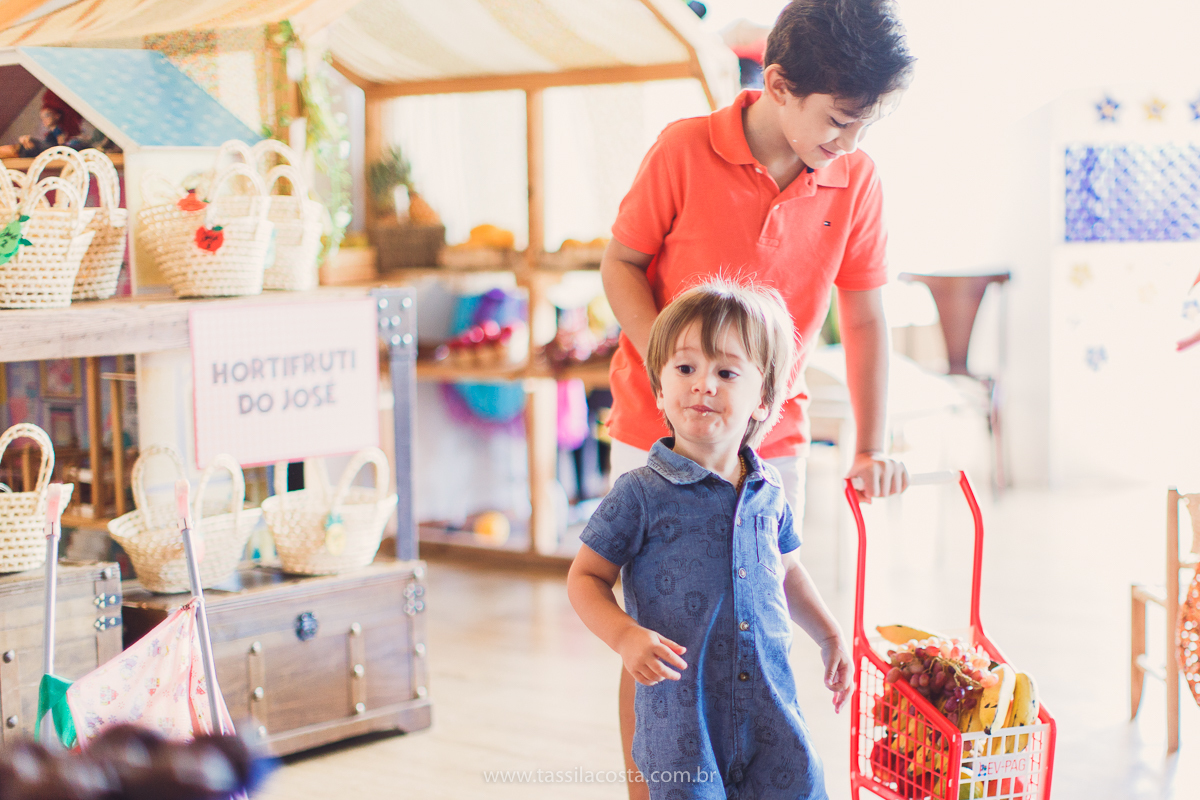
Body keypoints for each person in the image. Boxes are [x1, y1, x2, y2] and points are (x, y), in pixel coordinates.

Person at [598, 3, 913, 793]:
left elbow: (864, 316)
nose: (850, 141)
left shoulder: (855, 179)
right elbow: (620, 264)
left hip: (772, 437)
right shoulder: (683, 149)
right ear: (777, 85)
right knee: (658, 637)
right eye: (838, 121)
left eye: (864, 124)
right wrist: (676, 372)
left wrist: (872, 444)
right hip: (656, 430)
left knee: (758, 623)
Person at [569, 280, 850, 799]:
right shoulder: (640, 494)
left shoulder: (769, 489)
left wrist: (830, 634)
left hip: (769, 711)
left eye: (726, 372)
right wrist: (625, 636)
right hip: (682, 721)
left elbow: (787, 570)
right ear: (659, 389)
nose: (703, 385)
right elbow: (585, 577)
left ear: (763, 399)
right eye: (685, 368)